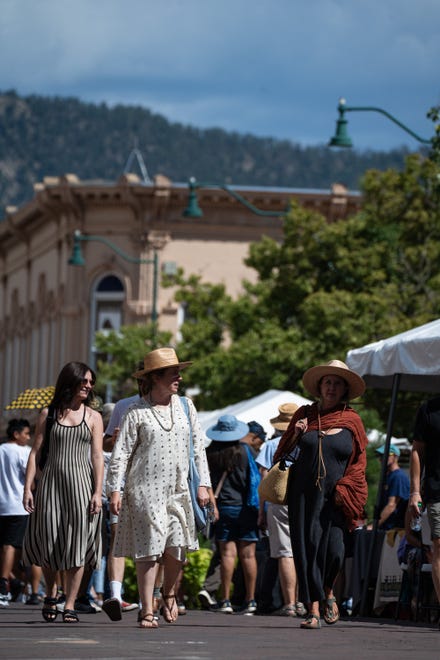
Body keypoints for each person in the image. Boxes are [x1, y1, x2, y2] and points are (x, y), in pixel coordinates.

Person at [106, 347, 211, 629]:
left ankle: (168, 594)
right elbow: (121, 454)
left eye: (178, 372)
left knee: (177, 549)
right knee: (150, 550)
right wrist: (114, 490)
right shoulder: (135, 412)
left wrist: (204, 483)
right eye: (172, 373)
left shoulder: (187, 406)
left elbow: (198, 447)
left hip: (178, 490)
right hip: (144, 490)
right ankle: (146, 609)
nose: (178, 377)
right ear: (155, 378)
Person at [274, 359, 368, 629]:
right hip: (303, 493)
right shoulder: (304, 413)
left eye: (337, 383)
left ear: (344, 389)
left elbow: (359, 462)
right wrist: (297, 434)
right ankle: (313, 609)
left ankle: (328, 591)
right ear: (320, 386)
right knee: (308, 547)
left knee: (335, 550)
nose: (332, 387)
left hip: (337, 495)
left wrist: (346, 487)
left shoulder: (352, 420)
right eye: (328, 382)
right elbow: (283, 454)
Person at [22, 361, 104, 623]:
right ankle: (50, 593)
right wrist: (28, 488)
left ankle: (69, 603)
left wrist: (97, 492)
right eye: (85, 381)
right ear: (71, 382)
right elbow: (35, 453)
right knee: (49, 539)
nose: (89, 386)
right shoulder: (49, 413)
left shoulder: (93, 417)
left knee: (78, 543)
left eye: (91, 383)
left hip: (82, 485)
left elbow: (98, 457)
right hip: (51, 485)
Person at [205, 414, 260, 615]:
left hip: (223, 507)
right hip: (247, 507)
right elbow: (255, 479)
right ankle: (250, 600)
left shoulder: (210, 452)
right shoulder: (247, 451)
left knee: (227, 554)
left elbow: (206, 482)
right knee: (249, 555)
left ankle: (225, 599)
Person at [256, 403, 306, 617]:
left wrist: (261, 511)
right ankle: (304, 601)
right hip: (302, 501)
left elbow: (264, 480)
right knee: (300, 552)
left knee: (285, 553)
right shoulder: (308, 441)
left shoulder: (271, 445)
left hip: (279, 502)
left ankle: (290, 603)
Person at [409, 397, 440, 622]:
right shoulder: (429, 409)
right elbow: (417, 451)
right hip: (437, 490)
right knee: (439, 546)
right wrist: (415, 492)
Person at [0, 419, 32, 607]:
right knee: (12, 547)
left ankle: (14, 582)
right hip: (18, 505)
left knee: (5, 548)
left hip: (3, 504)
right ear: (16, 434)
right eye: (26, 434)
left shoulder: (1, 449)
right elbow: (31, 478)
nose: (28, 437)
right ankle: (6, 586)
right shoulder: (24, 452)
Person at [375, 443, 409, 530]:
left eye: (385, 454)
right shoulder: (388, 476)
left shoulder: (398, 477)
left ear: (395, 456)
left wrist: (374, 526)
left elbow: (391, 505)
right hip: (385, 527)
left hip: (393, 529)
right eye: (380, 455)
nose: (381, 458)